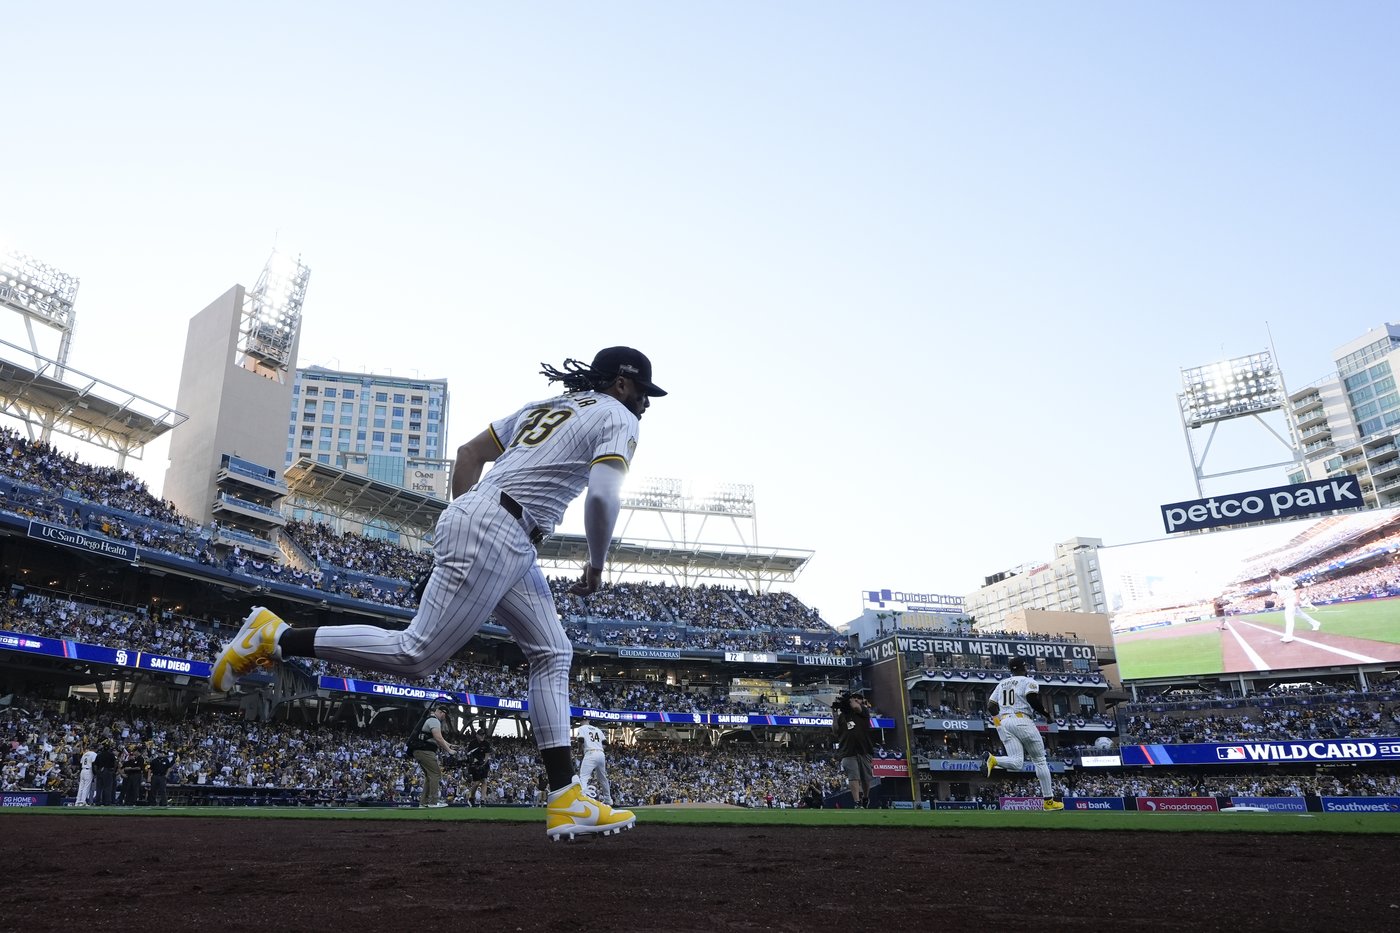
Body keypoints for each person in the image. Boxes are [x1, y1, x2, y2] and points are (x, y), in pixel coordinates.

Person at [212, 347, 665, 840]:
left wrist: (468, 518)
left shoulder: (543, 408)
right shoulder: (619, 415)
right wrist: (596, 566)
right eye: (643, 392)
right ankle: (274, 637)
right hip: (500, 530)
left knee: (554, 652)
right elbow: (602, 493)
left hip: (499, 529)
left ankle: (565, 798)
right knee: (416, 654)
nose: (646, 403)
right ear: (622, 385)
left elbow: (470, 454)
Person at [983, 656, 1063, 811]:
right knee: (1040, 761)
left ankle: (993, 759)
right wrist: (1047, 715)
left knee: (1017, 763)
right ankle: (1048, 802)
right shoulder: (1028, 682)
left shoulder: (1002, 683)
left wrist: (1000, 724)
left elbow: (991, 706)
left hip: (1005, 721)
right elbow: (1032, 699)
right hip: (1022, 720)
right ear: (1023, 667)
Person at [832, 691, 874, 809]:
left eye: (858, 698)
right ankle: (856, 802)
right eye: (854, 698)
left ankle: (865, 797)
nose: (856, 700)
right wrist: (834, 715)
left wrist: (849, 699)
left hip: (864, 749)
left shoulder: (863, 711)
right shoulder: (842, 716)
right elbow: (835, 731)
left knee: (866, 778)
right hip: (847, 750)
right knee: (853, 776)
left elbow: (856, 707)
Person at [409, 703, 456, 808]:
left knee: (429, 776)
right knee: (436, 774)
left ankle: (424, 802)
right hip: (425, 750)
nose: (444, 717)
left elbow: (438, 738)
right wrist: (449, 750)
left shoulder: (430, 719)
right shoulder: (434, 720)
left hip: (420, 751)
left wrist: (450, 745)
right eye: (444, 715)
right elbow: (438, 738)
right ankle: (433, 802)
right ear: (440, 712)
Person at [1270, 568, 1322, 643]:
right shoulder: (1272, 582)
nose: (1273, 576)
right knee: (1300, 614)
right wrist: (1269, 599)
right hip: (1285, 600)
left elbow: (1297, 589)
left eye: (1273, 574)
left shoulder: (1287, 579)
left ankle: (1288, 636)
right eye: (1271, 575)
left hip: (1292, 598)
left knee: (1288, 617)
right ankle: (1315, 623)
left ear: (1277, 572)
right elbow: (1274, 593)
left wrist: (1297, 599)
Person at [576, 720, 613, 806]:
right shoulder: (597, 729)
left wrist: (579, 752)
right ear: (588, 721)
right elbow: (606, 744)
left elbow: (581, 740)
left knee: (583, 777)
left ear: (581, 721)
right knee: (603, 778)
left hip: (590, 753)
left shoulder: (582, 728)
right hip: (601, 754)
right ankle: (608, 799)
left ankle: (583, 798)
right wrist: (600, 748)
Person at [463, 727, 492, 806]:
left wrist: (483, 763)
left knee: (484, 781)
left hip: (484, 764)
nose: (482, 736)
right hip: (474, 764)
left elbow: (487, 755)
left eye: (483, 735)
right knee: (476, 783)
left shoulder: (486, 743)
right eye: (480, 735)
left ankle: (482, 800)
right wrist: (475, 763)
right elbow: (469, 755)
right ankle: (471, 797)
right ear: (477, 735)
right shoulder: (472, 743)